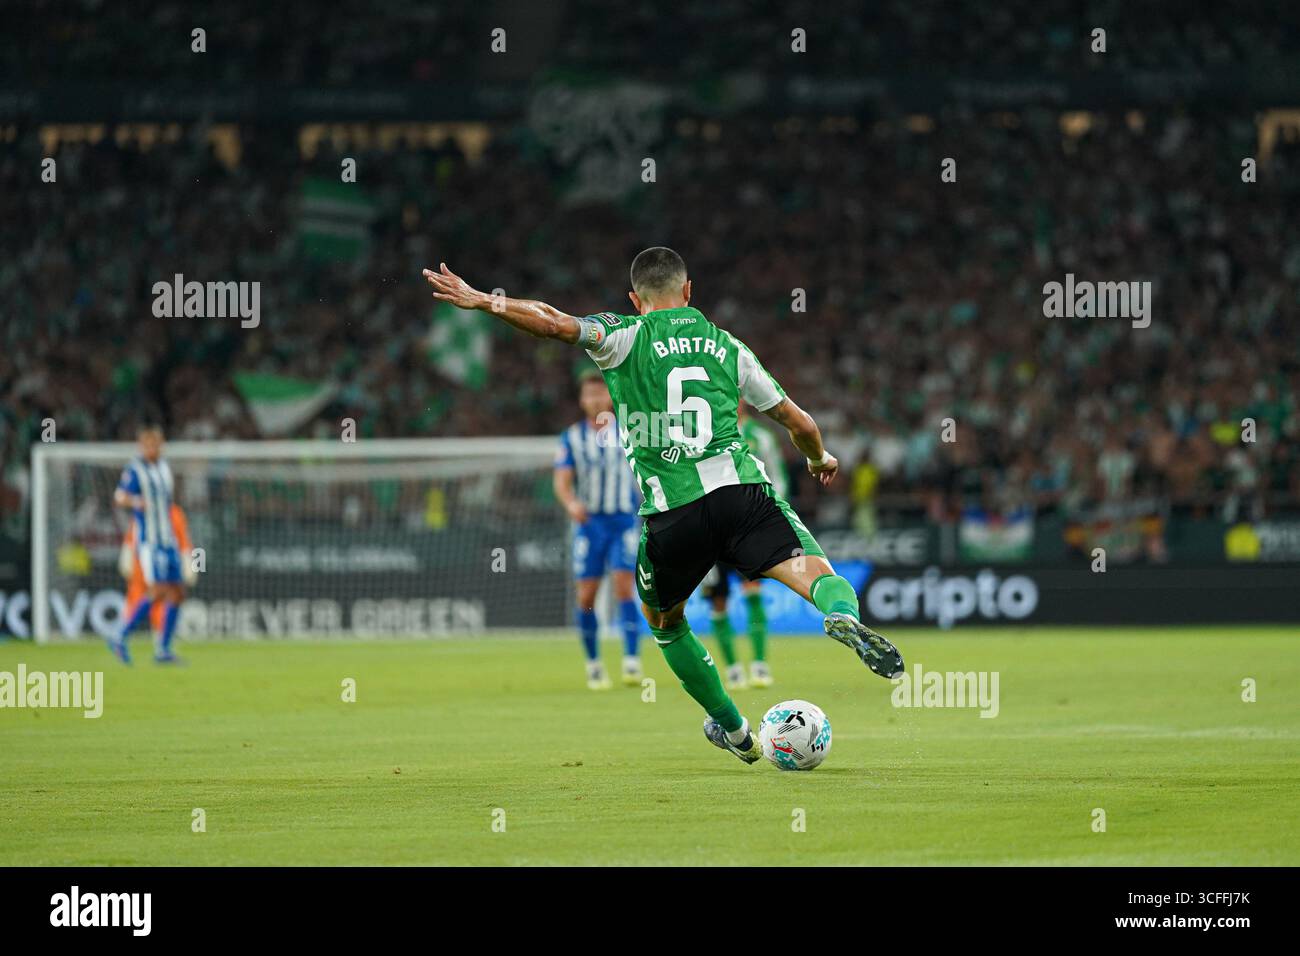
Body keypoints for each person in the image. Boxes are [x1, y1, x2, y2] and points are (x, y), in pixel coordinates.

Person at [422, 248, 903, 765]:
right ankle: (839, 615)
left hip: (672, 514)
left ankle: (737, 733)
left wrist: (486, 301)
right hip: (742, 492)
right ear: (689, 291)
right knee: (814, 571)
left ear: (635, 298)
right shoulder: (728, 347)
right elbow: (801, 423)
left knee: (668, 624)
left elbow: (553, 322)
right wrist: (819, 459)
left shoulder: (621, 336)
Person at [553, 370, 643, 689]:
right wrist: (571, 504)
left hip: (623, 520)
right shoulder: (572, 437)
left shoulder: (631, 430)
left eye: (599, 393)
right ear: (581, 400)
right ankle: (594, 665)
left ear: (610, 395)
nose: (594, 400)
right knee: (587, 596)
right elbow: (562, 481)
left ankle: (632, 661)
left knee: (624, 587)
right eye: (589, 395)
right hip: (590, 524)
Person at [700, 403, 783, 689]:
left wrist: (771, 516)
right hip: (711, 532)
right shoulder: (701, 433)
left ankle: (759, 665)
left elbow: (777, 478)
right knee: (718, 600)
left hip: (749, 529)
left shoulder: (760, 436)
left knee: (753, 590)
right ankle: (733, 669)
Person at [109, 426, 186, 664]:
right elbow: (118, 496)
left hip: (168, 538)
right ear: (142, 446)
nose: (152, 449)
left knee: (177, 592)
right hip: (150, 542)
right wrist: (135, 501)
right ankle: (120, 635)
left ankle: (163, 649)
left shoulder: (163, 466)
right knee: (159, 590)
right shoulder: (135, 469)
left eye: (156, 444)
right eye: (148, 445)